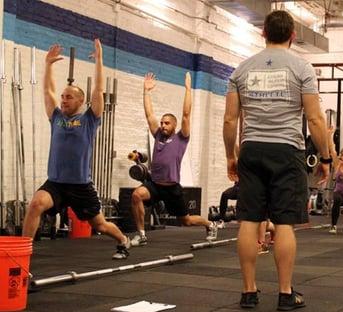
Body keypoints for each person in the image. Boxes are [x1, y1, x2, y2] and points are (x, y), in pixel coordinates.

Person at [223, 10, 330, 311]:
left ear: (263, 33)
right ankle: (285, 294)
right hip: (287, 151)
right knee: (284, 222)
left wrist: (231, 155)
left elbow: (231, 120)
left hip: (252, 149)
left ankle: (249, 292)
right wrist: (325, 157)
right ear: (293, 35)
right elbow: (315, 119)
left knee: (249, 219)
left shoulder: (241, 70)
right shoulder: (302, 68)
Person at [22, 40, 131, 259]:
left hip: (80, 185)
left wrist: (99, 60)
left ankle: (123, 240)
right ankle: (23, 252)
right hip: (56, 183)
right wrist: (48, 65)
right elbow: (47, 90)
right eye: (62, 97)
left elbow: (99, 90)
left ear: (81, 101)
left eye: (68, 97)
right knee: (35, 204)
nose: (63, 100)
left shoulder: (89, 119)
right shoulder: (56, 118)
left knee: (99, 225)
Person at [129, 72, 218, 247]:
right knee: (136, 195)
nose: (162, 125)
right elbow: (149, 115)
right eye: (162, 123)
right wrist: (146, 91)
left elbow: (186, 114)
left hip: (172, 188)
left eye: (166, 123)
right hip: (155, 185)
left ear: (174, 125)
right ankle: (141, 234)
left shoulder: (181, 138)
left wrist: (187, 90)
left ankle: (210, 224)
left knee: (186, 221)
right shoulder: (157, 136)